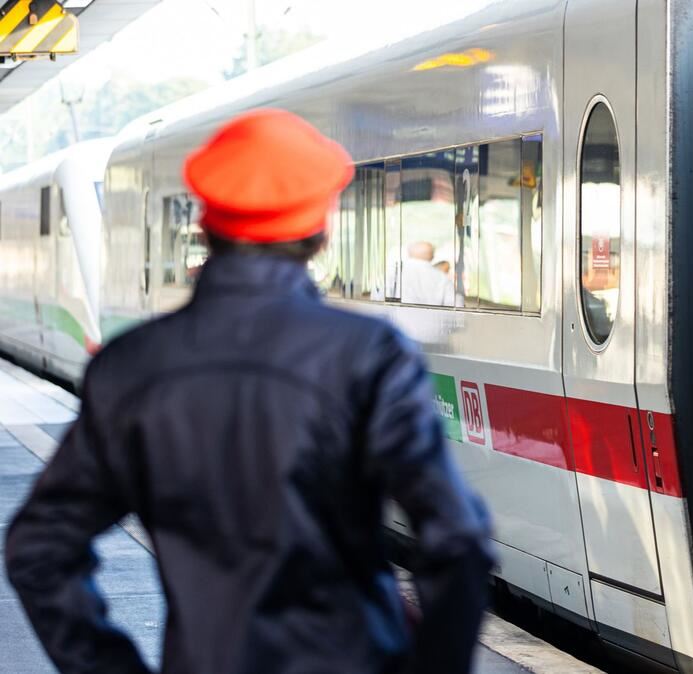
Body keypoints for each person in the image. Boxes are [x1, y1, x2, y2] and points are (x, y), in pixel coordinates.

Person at [4, 109, 495, 674]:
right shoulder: (369, 355)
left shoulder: (130, 367)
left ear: (205, 227)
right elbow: (458, 541)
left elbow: (39, 548)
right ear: (320, 231)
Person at [400, 241, 456, 306]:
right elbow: (452, 304)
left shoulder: (396, 273)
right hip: (434, 315)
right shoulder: (442, 278)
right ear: (432, 256)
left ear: (409, 253)